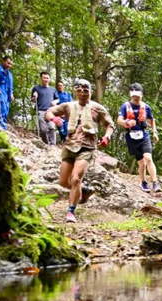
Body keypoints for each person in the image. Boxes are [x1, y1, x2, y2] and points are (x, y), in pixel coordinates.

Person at [45, 79, 114, 223]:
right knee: (64, 182)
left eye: (86, 91)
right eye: (79, 90)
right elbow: (49, 112)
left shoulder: (97, 108)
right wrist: (54, 118)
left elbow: (110, 124)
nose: (82, 93)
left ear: (91, 92)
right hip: (70, 145)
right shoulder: (68, 106)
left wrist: (107, 136)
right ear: (75, 92)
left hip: (87, 147)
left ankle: (71, 211)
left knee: (76, 178)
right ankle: (84, 190)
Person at [117, 83, 160, 193]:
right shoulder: (125, 106)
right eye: (134, 97)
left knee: (148, 158)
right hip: (131, 136)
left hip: (144, 135)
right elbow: (119, 120)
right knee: (141, 162)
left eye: (138, 97)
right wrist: (126, 122)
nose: (136, 99)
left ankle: (155, 182)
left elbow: (151, 119)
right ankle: (143, 182)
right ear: (131, 95)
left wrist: (154, 132)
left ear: (142, 95)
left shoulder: (146, 107)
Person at [31, 71, 60, 146]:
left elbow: (58, 99)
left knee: (52, 127)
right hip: (41, 110)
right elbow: (33, 100)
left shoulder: (53, 89)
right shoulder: (36, 88)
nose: (45, 79)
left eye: (47, 78)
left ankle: (53, 144)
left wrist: (55, 102)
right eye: (44, 78)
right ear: (41, 78)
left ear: (49, 79)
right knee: (43, 130)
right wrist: (35, 96)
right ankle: (45, 144)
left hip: (50, 111)